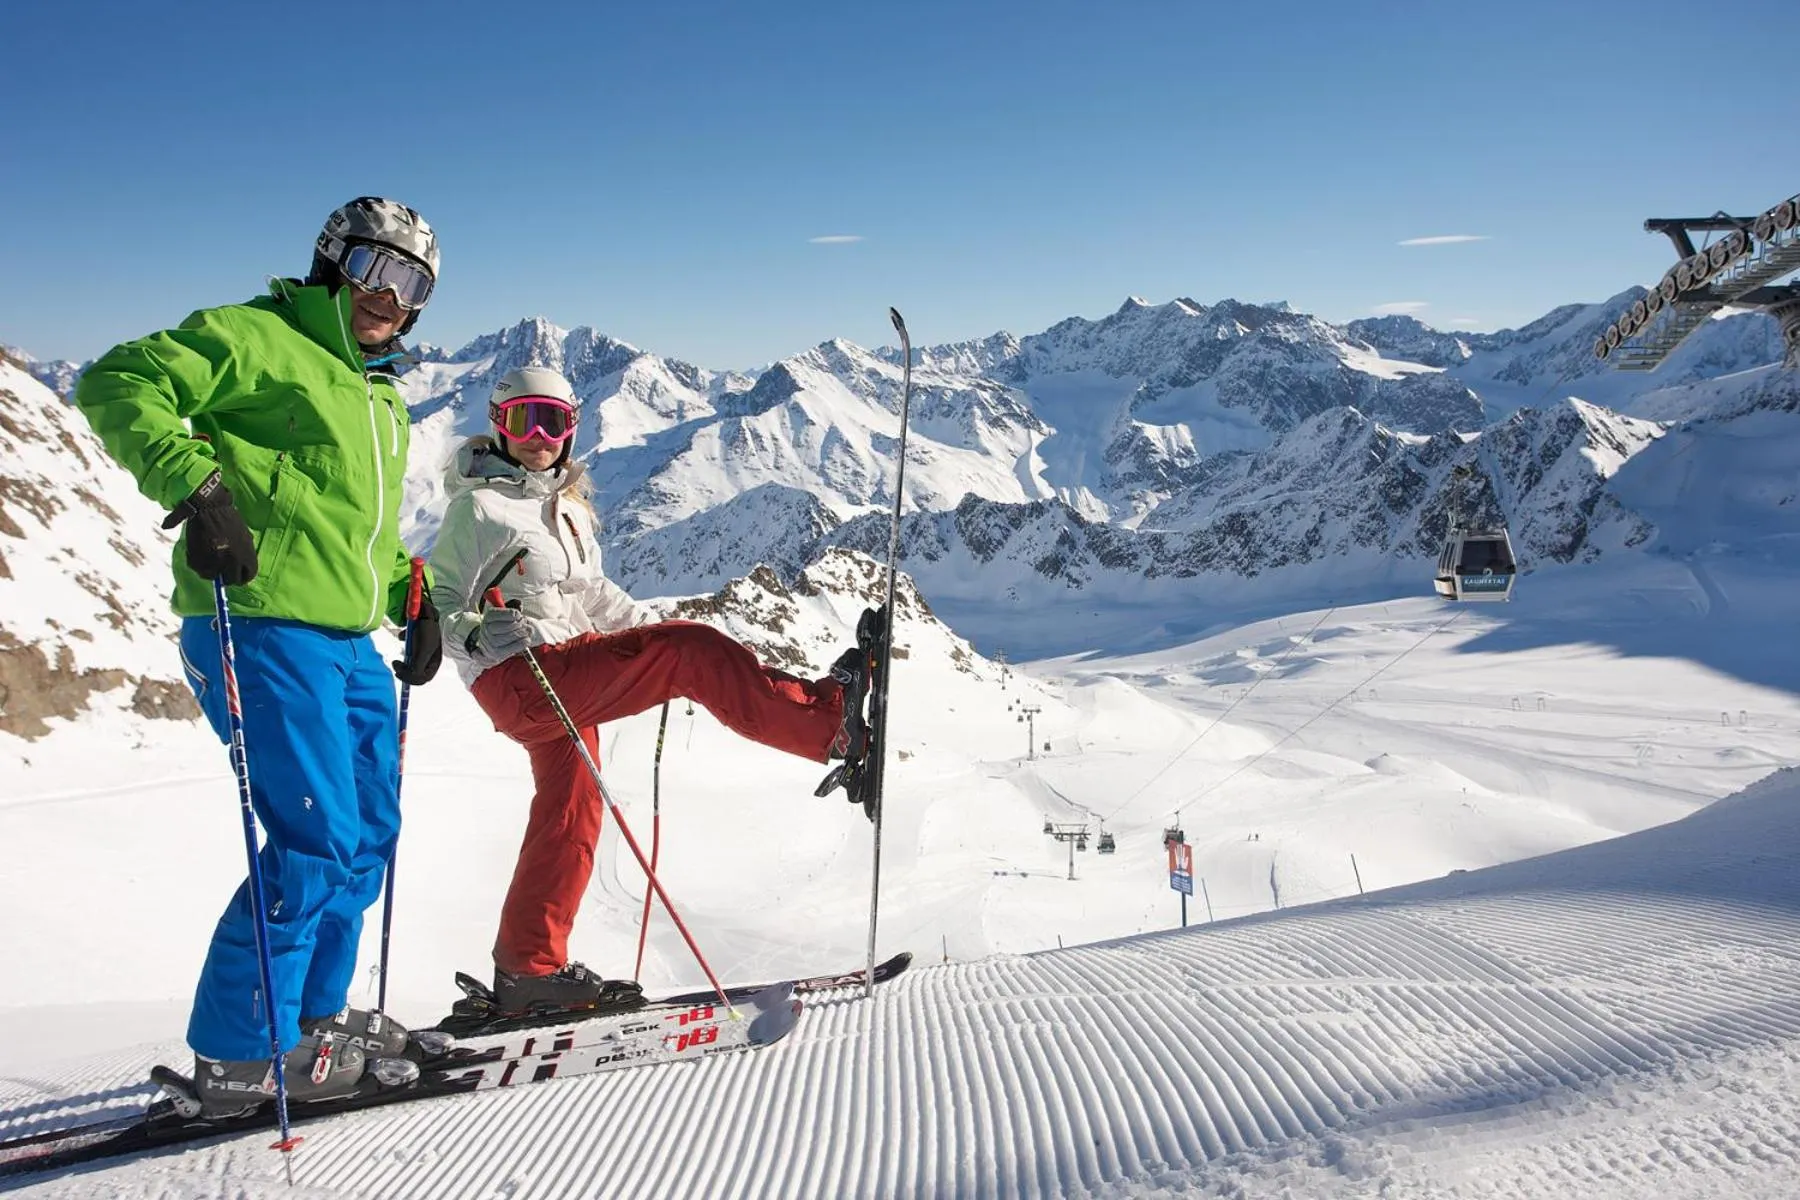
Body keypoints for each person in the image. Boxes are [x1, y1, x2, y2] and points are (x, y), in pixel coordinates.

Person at [73, 197, 446, 1115]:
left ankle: (315, 1022)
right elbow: (117, 380)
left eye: (413, 285)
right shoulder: (258, 337)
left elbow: (353, 524)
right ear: (332, 261)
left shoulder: (380, 394)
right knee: (313, 839)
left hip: (346, 638)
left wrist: (411, 589)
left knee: (366, 841)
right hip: (259, 624)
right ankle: (243, 1053)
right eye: (376, 269)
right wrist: (197, 487)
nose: (389, 298)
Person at [428, 366, 877, 1013]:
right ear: (500, 423)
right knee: (688, 654)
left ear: (572, 430)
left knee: (571, 811)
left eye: (554, 421)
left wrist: (657, 637)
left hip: (563, 675)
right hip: (521, 674)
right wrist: (477, 633)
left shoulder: (567, 510)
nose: (540, 436)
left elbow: (597, 599)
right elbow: (440, 598)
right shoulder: (479, 506)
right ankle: (827, 726)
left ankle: (527, 972)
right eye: (525, 418)